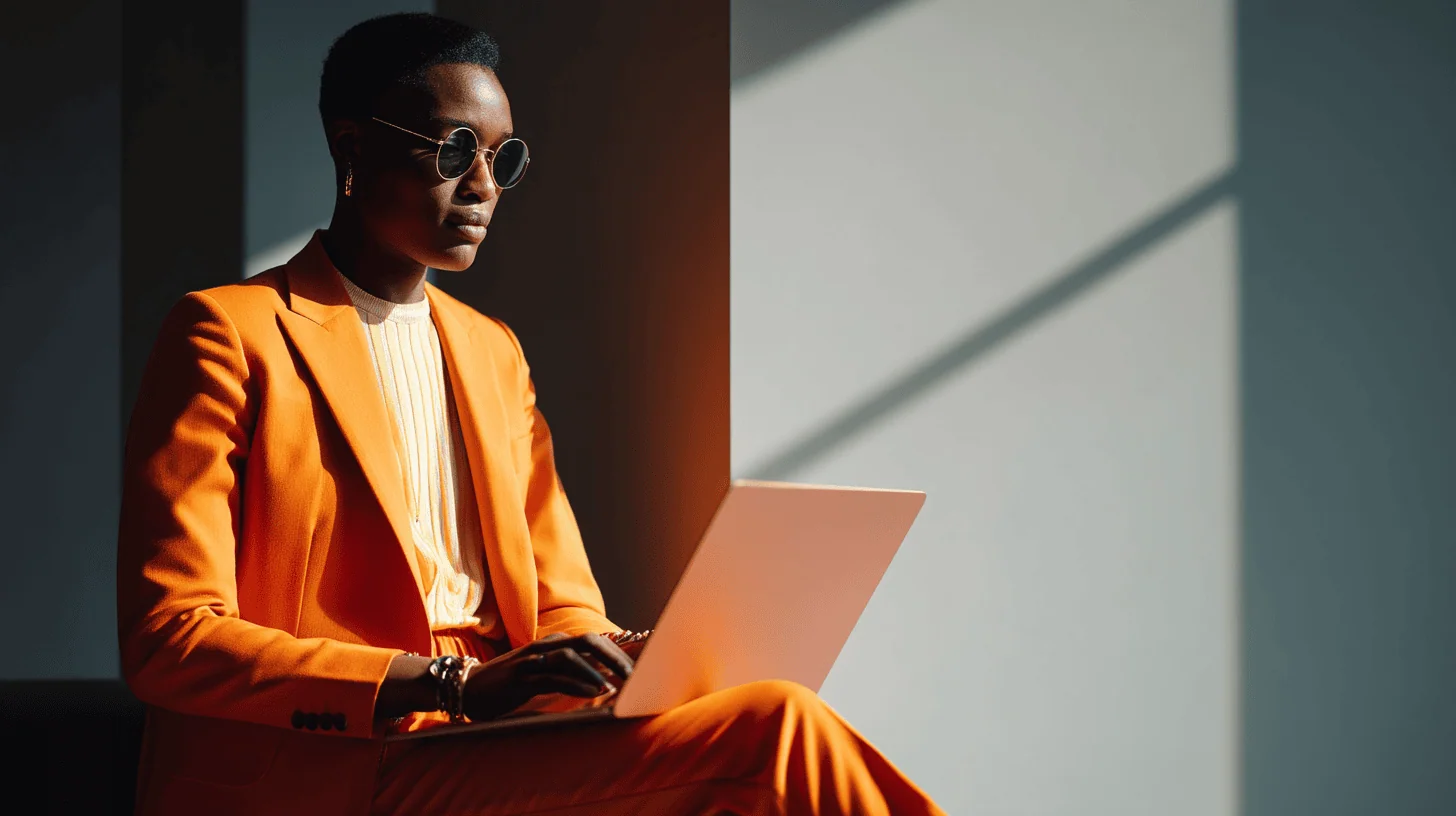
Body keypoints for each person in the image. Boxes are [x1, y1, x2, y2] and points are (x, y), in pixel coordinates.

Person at [117, 12, 946, 816]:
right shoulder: (229, 332)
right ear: (353, 147)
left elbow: (560, 603)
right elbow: (170, 638)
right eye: (452, 151)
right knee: (774, 738)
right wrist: (449, 684)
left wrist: (620, 656)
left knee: (762, 707)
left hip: (497, 735)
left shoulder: (491, 351)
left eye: (499, 158)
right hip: (337, 768)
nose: (481, 185)